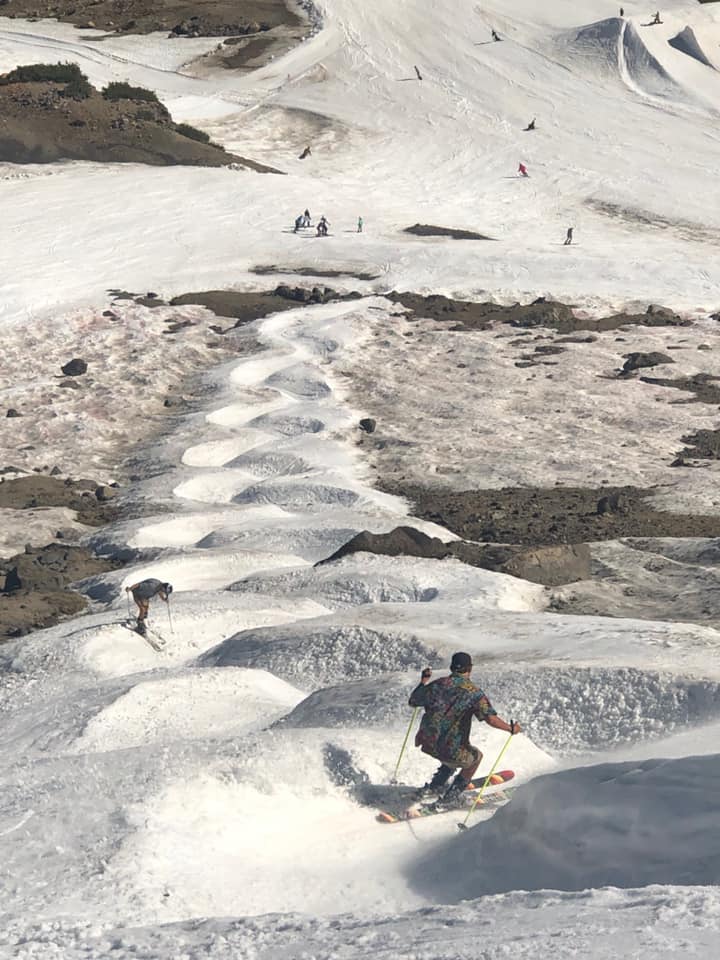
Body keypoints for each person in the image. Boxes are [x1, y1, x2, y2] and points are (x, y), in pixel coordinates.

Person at [409, 652, 521, 807]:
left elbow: (414, 701)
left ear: (451, 667)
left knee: (453, 752)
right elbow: (490, 719)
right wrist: (511, 728)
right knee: (475, 757)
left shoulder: (438, 684)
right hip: (448, 749)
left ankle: (436, 786)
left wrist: (424, 681)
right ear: (470, 668)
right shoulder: (473, 692)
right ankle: (450, 799)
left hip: (427, 743)